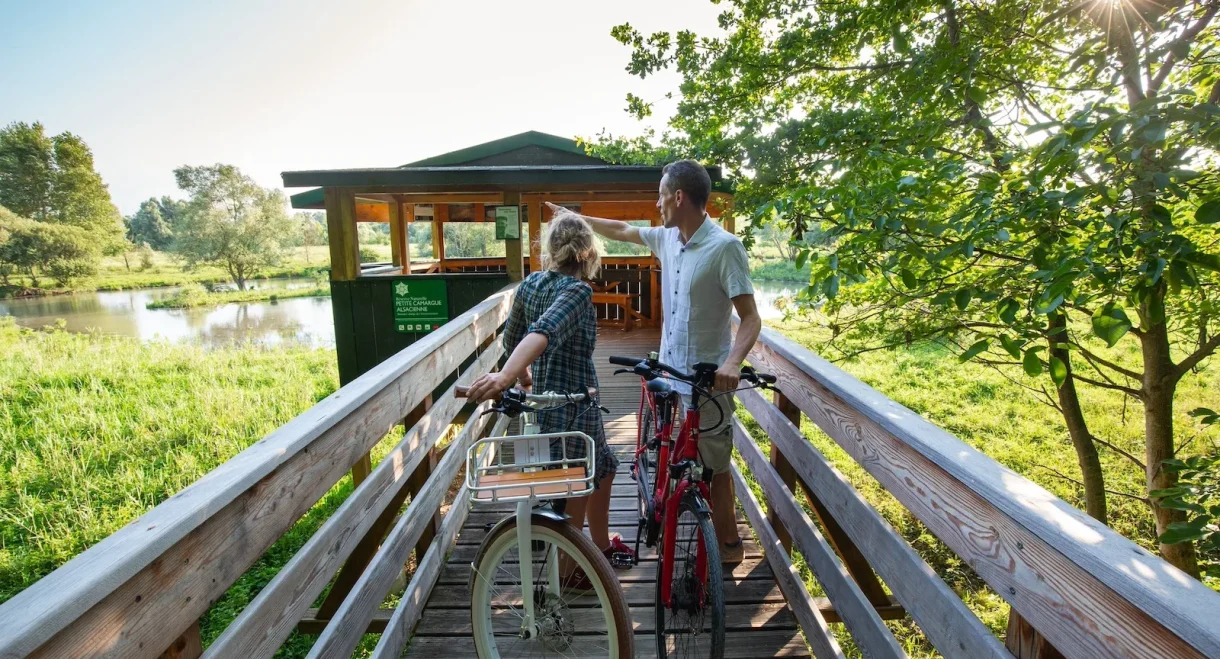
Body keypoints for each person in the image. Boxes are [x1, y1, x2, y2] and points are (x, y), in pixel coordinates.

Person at [545, 159, 763, 563]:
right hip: (670, 370)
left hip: (707, 379)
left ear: (679, 197)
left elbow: (750, 318)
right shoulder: (667, 238)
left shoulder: (725, 248)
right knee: (676, 450)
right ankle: (662, 501)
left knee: (714, 467)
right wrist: (577, 217)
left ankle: (729, 545)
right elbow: (624, 231)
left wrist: (732, 364)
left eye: (661, 195)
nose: (657, 203)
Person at [466, 211, 636, 578]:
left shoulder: (531, 285)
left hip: (545, 403)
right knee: (577, 481)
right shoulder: (576, 292)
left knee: (603, 466)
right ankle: (568, 571)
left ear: (551, 250)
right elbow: (541, 332)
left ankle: (601, 544)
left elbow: (513, 337)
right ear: (589, 253)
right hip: (573, 404)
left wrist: (524, 378)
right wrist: (509, 375)